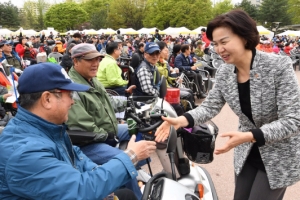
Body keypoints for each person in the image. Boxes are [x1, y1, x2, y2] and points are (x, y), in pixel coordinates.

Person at [155, 10, 300, 200]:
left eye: (224, 42)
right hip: (247, 151)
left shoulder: (278, 66)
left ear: (245, 37)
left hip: (279, 153)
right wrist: (181, 120)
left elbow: (293, 120)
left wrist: (250, 135)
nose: (218, 49)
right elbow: (210, 107)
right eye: (215, 44)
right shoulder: (225, 72)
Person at [0, 63, 156, 199]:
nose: (73, 101)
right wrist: (130, 157)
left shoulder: (50, 129)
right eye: (69, 94)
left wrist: (104, 187)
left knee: (125, 194)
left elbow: (79, 161)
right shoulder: (24, 152)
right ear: (47, 99)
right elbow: (80, 191)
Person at [66, 43, 150, 199]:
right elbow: (83, 127)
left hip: (107, 130)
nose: (95, 64)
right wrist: (107, 136)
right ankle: (135, 193)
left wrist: (131, 102)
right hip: (89, 142)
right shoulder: (73, 88)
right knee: (125, 162)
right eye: (90, 60)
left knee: (141, 127)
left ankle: (138, 169)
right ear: (76, 61)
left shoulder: (92, 79)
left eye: (98, 59)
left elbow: (109, 101)